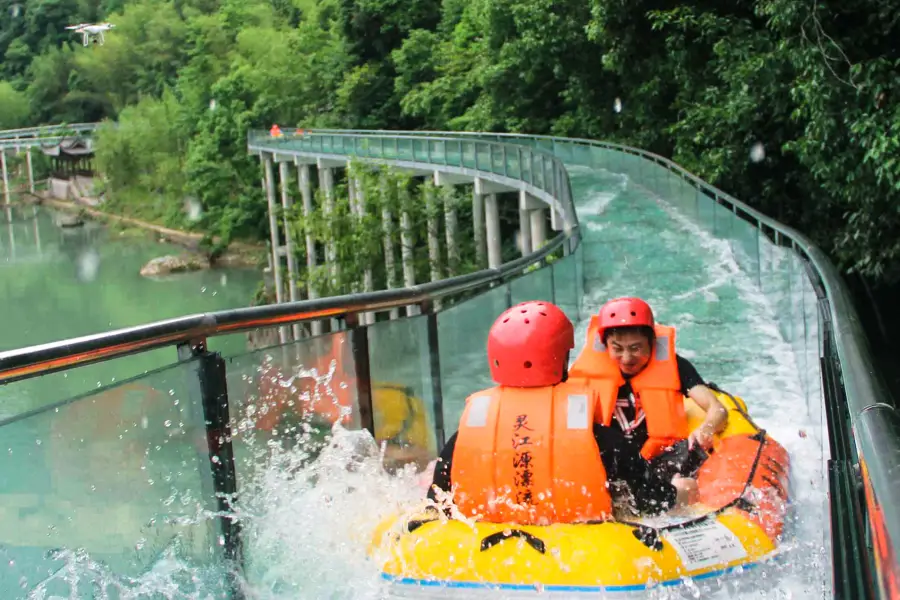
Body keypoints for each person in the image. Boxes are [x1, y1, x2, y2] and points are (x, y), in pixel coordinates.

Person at [427, 301, 698, 524]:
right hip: (578, 550)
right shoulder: (600, 440)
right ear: (562, 358)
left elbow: (435, 501)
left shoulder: (465, 436)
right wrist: (681, 492)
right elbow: (652, 501)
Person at [567, 296, 729, 514]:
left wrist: (706, 429)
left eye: (635, 348)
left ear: (652, 343)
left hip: (661, 458)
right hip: (616, 461)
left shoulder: (675, 366)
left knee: (690, 456)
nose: (626, 358)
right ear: (606, 346)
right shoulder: (586, 373)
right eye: (617, 348)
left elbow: (717, 409)